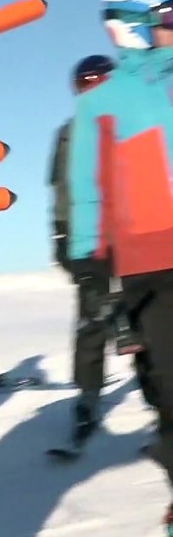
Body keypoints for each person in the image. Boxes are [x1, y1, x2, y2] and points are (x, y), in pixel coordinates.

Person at [64, 0, 173, 537]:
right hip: (151, 265)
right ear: (131, 27)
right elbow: (87, 189)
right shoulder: (102, 103)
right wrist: (91, 268)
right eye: (169, 15)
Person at [48, 53, 160, 446]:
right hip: (89, 240)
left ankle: (159, 398)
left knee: (148, 320)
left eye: (101, 82)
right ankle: (88, 397)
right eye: (85, 84)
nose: (93, 90)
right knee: (93, 319)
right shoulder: (69, 133)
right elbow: (62, 193)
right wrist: (61, 238)